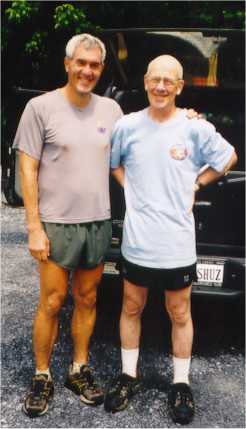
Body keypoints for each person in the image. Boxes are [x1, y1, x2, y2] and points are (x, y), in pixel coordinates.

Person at [104, 55, 237, 424]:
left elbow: (228, 158)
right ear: (146, 81)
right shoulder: (126, 126)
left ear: (180, 87)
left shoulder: (196, 128)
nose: (161, 86)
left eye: (169, 81)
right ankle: (128, 375)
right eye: (155, 79)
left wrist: (197, 182)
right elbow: (114, 164)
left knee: (180, 313)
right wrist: (130, 187)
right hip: (137, 241)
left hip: (177, 243)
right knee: (131, 307)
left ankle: (180, 383)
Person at [13, 33, 123, 418]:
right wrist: (34, 227)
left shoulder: (111, 110)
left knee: (89, 298)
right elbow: (27, 168)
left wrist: (185, 116)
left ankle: (79, 368)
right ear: (67, 64)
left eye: (94, 65)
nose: (87, 71)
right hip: (56, 224)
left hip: (96, 221)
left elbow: (130, 154)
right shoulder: (39, 108)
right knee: (53, 301)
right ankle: (42, 375)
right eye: (81, 63)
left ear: (101, 69)